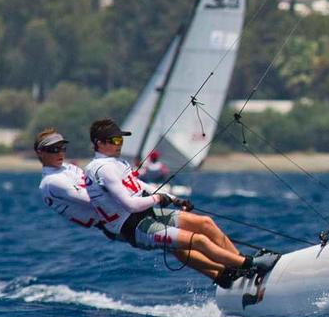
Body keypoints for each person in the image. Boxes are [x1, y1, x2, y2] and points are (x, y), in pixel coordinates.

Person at [83, 118, 278, 287]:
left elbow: (140, 185)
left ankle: (238, 267)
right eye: (115, 140)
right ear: (99, 143)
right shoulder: (102, 169)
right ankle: (249, 265)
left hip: (146, 215)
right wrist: (158, 198)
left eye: (121, 139)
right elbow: (129, 205)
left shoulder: (117, 163)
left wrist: (175, 199)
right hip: (134, 227)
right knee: (198, 241)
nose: (120, 143)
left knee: (205, 223)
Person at [36, 128, 113, 235]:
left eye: (62, 148)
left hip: (117, 214)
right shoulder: (51, 181)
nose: (60, 153)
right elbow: (93, 200)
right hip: (114, 224)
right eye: (54, 150)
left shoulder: (69, 167)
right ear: (40, 153)